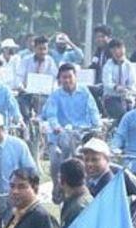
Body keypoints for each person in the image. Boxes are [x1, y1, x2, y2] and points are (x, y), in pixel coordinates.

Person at [42, 62, 101, 195]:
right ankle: (57, 185)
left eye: (70, 76)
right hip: (60, 134)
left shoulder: (84, 92)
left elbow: (93, 109)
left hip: (81, 132)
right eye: (64, 77)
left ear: (75, 77)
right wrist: (56, 126)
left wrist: (97, 125)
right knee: (56, 159)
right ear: (60, 79)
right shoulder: (55, 95)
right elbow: (51, 114)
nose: (67, 80)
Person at [98, 38, 136, 121]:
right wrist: (116, 87)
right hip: (111, 98)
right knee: (123, 116)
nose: (118, 51)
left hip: (127, 97)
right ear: (111, 51)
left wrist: (130, 91)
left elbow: (133, 82)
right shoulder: (108, 65)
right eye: (114, 49)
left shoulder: (129, 65)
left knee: (135, 114)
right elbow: (107, 83)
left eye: (120, 48)